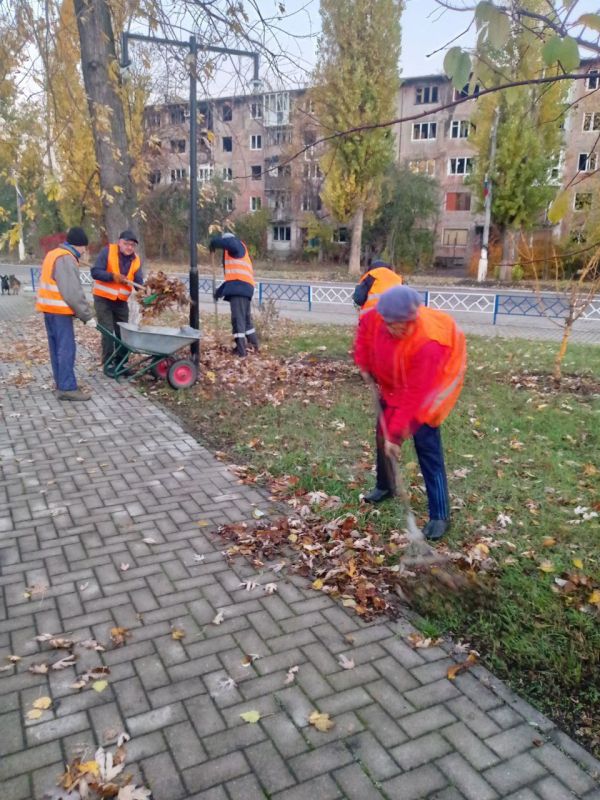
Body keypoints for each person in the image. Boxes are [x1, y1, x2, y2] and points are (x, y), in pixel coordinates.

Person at [354, 285, 466, 541]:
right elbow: (363, 335)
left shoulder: (429, 344)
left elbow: (415, 395)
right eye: (391, 324)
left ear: (412, 317)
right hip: (396, 379)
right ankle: (385, 486)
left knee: (427, 445)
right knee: (382, 435)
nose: (396, 329)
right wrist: (364, 364)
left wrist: (397, 435)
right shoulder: (377, 317)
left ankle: (440, 515)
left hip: (432, 385)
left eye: (402, 324)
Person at [35, 227, 97, 401]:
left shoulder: (53, 254)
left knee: (56, 349)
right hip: (59, 312)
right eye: (84, 247)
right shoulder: (66, 258)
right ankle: (67, 388)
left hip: (49, 310)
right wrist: (86, 315)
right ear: (79, 245)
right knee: (66, 349)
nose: (85, 251)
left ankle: (61, 384)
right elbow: (72, 292)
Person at [91, 229, 143, 370]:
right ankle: (107, 363)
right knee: (108, 332)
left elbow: (138, 281)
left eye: (132, 245)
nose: (129, 247)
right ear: (119, 242)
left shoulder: (136, 260)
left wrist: (146, 291)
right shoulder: (107, 251)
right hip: (103, 299)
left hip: (120, 302)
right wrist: (112, 276)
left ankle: (121, 363)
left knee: (124, 332)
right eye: (126, 244)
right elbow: (95, 272)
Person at [210, 232, 259, 357]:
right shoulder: (236, 252)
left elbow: (229, 243)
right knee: (247, 322)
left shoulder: (235, 244)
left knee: (238, 321)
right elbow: (232, 279)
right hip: (244, 288)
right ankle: (254, 347)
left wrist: (214, 243)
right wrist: (218, 293)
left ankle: (241, 352)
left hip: (240, 289)